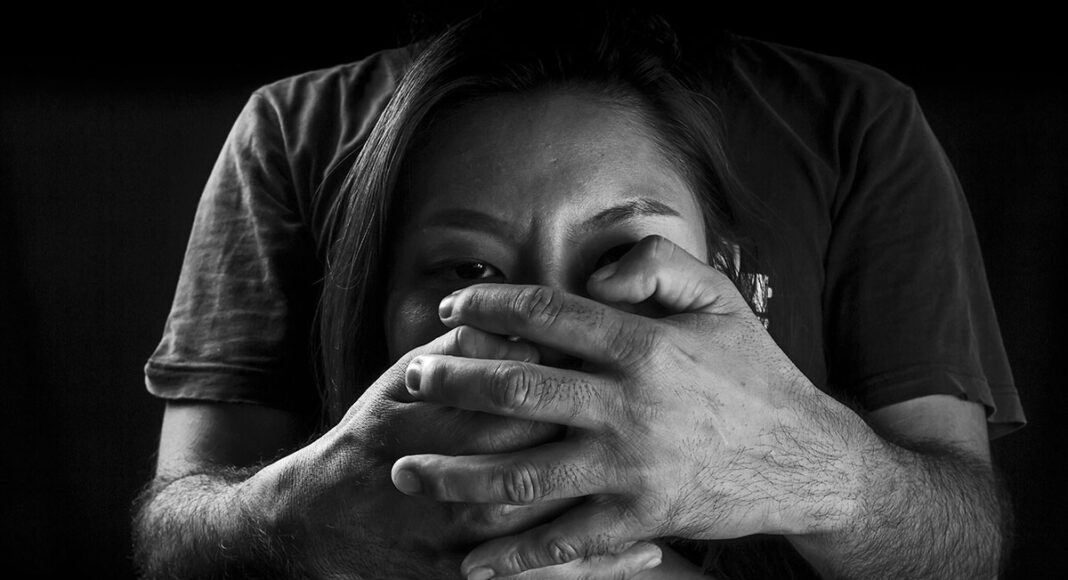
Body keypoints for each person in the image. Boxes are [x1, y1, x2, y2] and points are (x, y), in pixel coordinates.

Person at [132, 3, 1025, 579]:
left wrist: (808, 470)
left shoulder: (854, 120)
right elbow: (175, 536)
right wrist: (303, 513)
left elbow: (963, 547)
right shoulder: (295, 126)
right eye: (470, 273)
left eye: (624, 257)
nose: (555, 337)